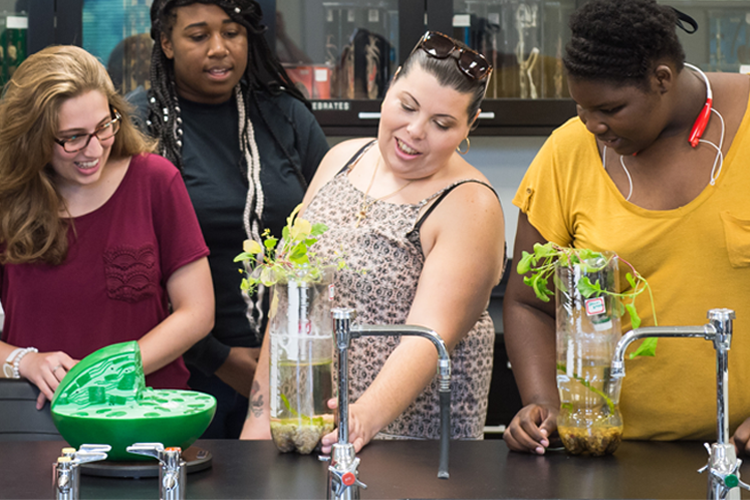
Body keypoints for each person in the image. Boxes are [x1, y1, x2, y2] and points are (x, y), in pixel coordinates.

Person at [502, 0, 750, 455]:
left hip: (740, 453)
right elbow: (527, 302)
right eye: (581, 108)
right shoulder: (570, 151)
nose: (594, 125)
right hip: (606, 455)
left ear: (661, 79)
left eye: (611, 108)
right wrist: (543, 402)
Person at [241, 31, 505, 451]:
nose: (415, 131)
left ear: (469, 126)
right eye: (407, 106)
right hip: (311, 433)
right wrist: (259, 424)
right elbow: (288, 307)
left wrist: (357, 422)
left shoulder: (470, 203)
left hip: (409, 450)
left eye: (442, 123)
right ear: (391, 84)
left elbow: (425, 338)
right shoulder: (340, 160)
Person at [129, 0, 329, 438]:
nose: (219, 48)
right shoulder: (137, 125)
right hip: (178, 373)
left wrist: (285, 354)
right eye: (198, 36)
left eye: (232, 32)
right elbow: (128, 263)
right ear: (166, 42)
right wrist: (219, 358)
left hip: (290, 363)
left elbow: (332, 232)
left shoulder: (285, 117)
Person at [0, 45, 214, 411]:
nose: (94, 149)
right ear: (32, 137)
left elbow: (197, 312)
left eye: (103, 126)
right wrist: (25, 361)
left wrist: (108, 373)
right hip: (37, 419)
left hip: (146, 413)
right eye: (73, 137)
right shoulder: (8, 197)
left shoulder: (155, 181)